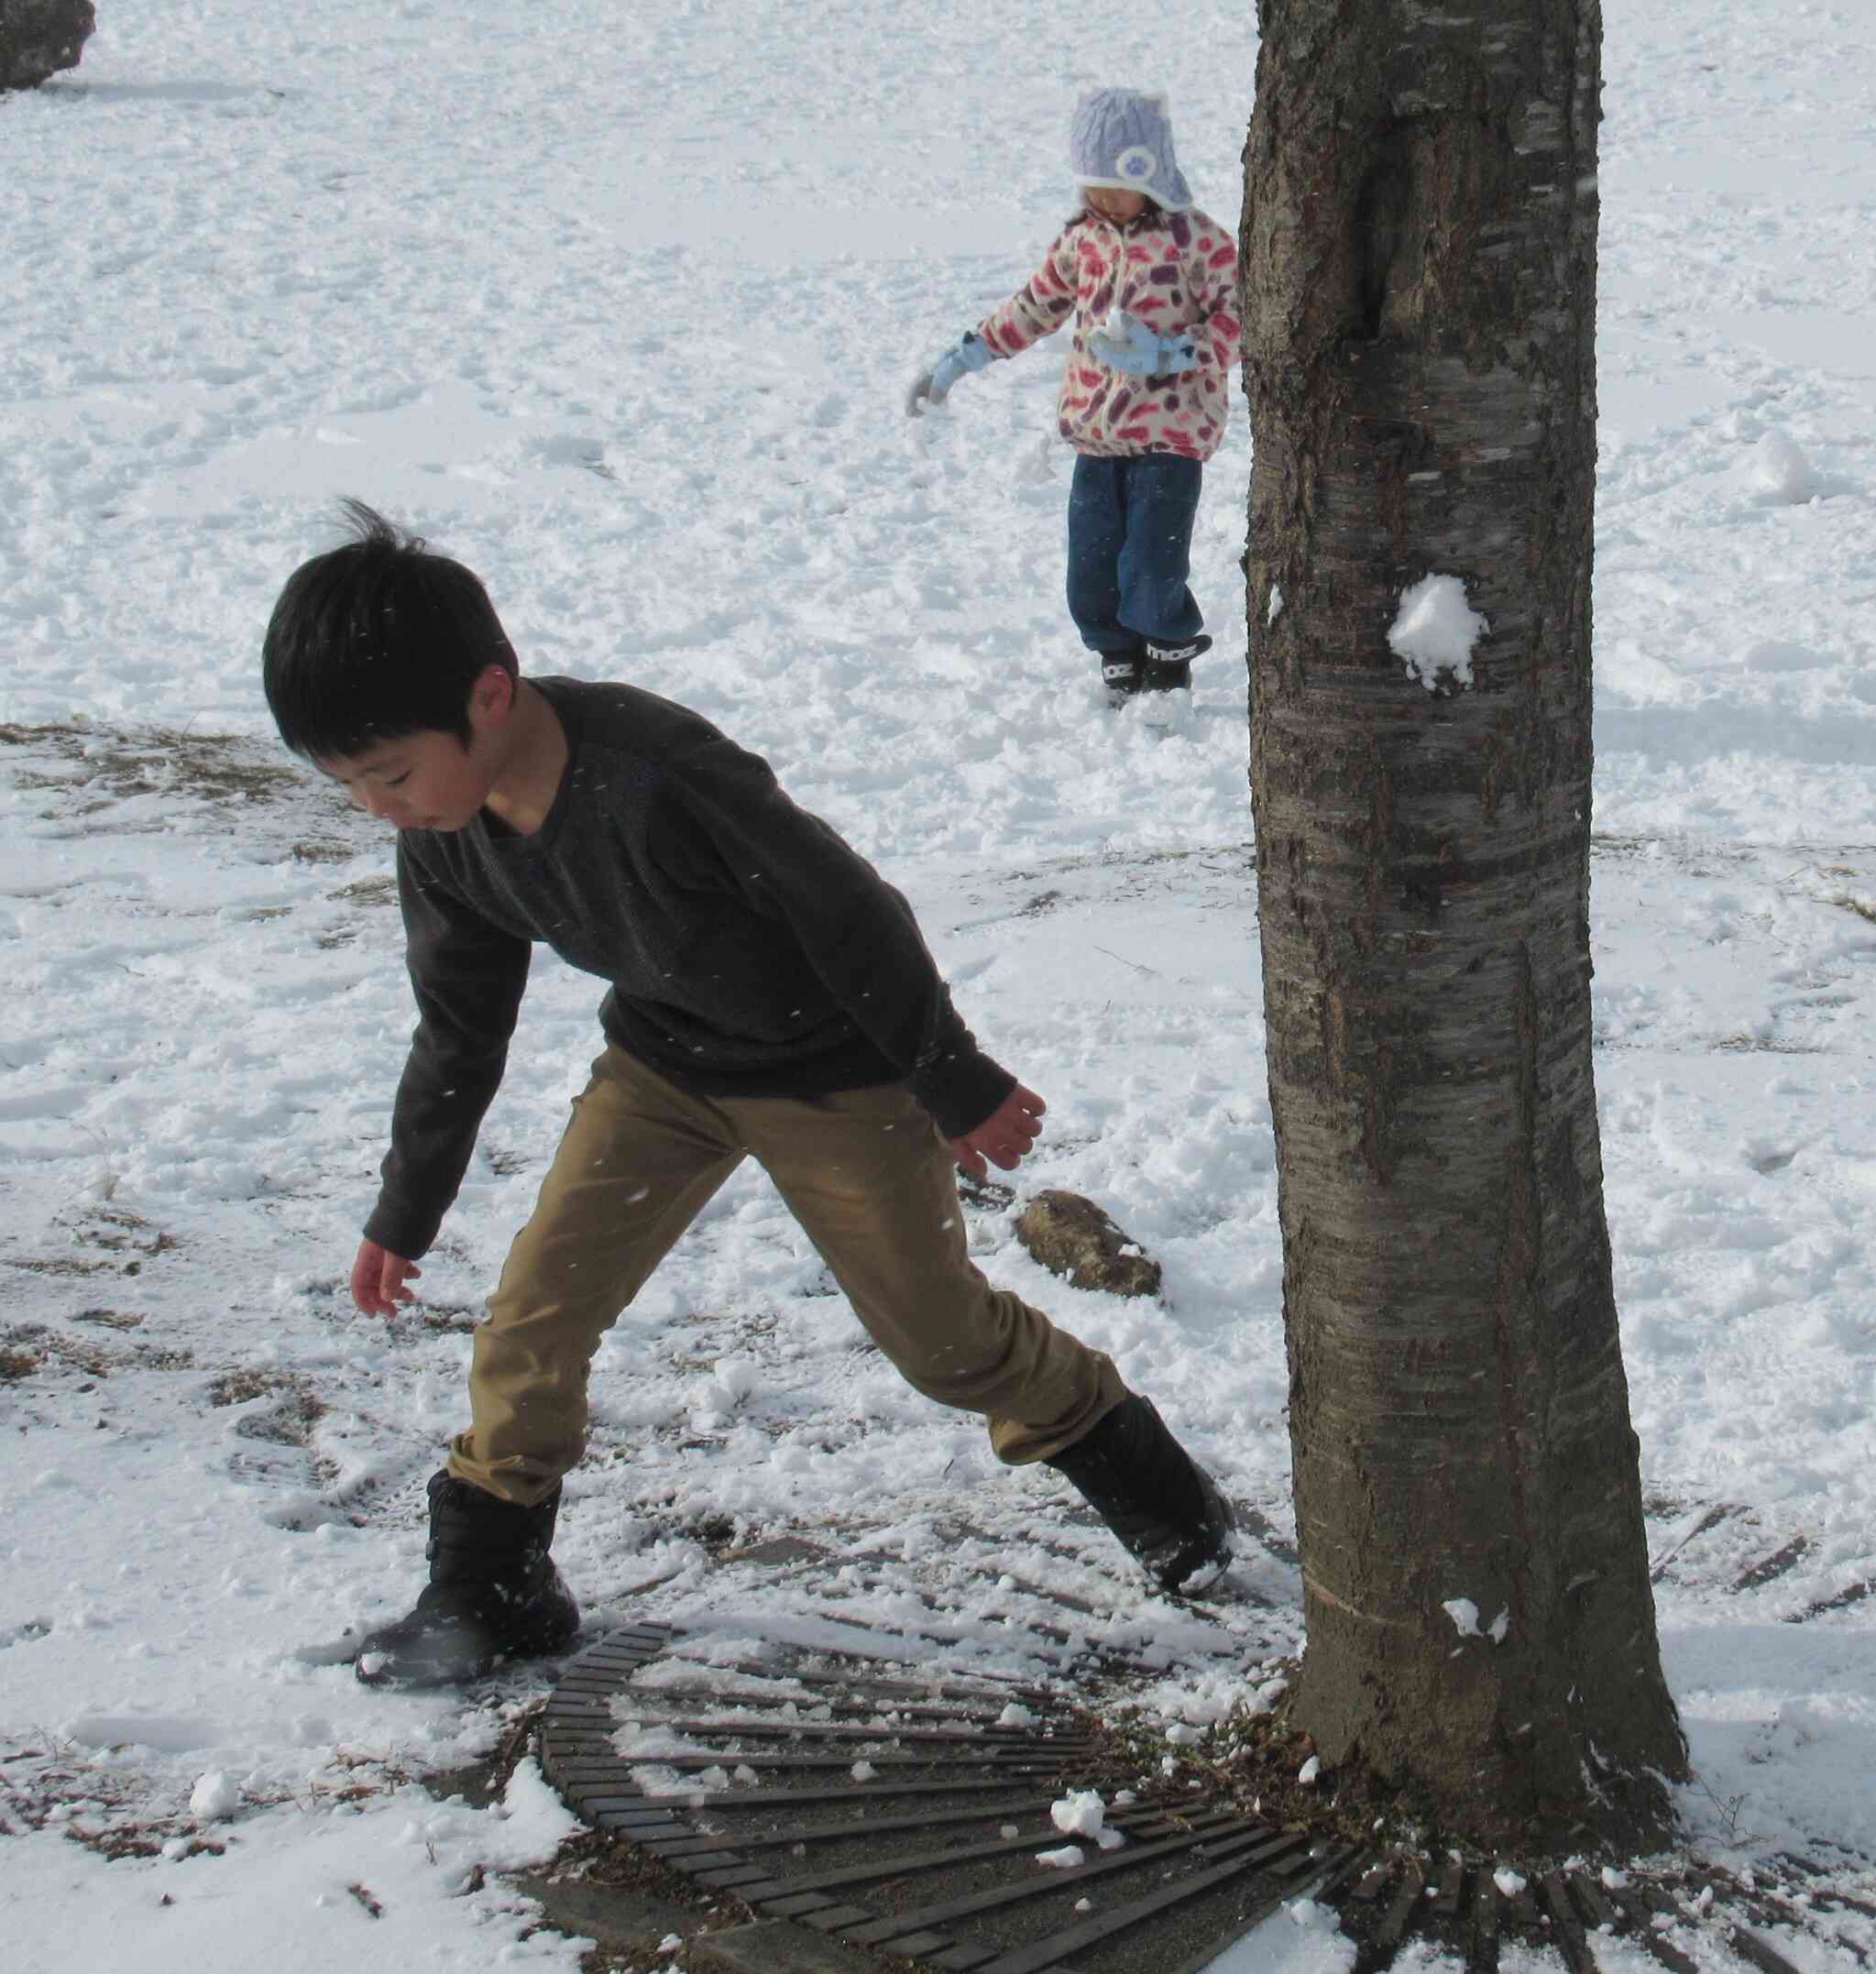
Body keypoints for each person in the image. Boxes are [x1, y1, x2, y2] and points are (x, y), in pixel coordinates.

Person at [261, 503, 1234, 1686]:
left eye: (391, 774)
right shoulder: (448, 840)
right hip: (666, 1066)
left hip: (836, 1070)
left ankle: (1153, 1482)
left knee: (942, 1343)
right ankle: (489, 1585)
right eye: (351, 785)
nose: (380, 808)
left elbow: (845, 907)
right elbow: (459, 1030)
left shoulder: (653, 773)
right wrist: (403, 1210)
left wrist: (953, 1078)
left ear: (489, 696)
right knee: (534, 1311)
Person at [905, 88, 1242, 705]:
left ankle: (1168, 661)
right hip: (1095, 432)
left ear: (1152, 172)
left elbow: (1241, 305)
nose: (1103, 198)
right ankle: (1116, 655)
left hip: (1173, 430)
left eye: (1116, 183)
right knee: (1090, 567)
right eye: (1092, 184)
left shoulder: (1194, 239)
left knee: (1151, 561)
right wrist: (964, 357)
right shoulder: (1081, 241)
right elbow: (1035, 306)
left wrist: (1180, 353)